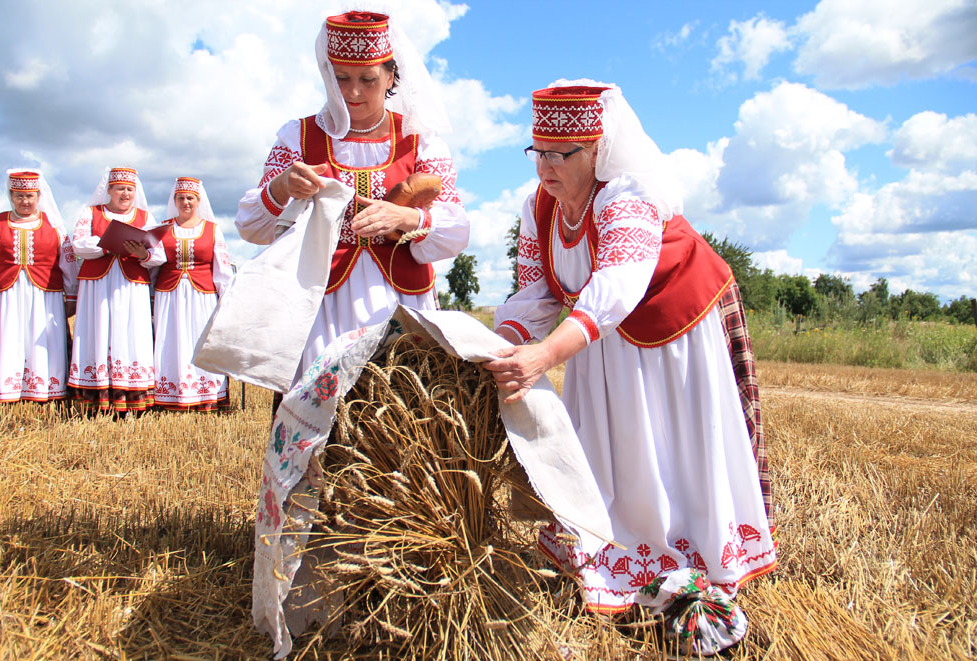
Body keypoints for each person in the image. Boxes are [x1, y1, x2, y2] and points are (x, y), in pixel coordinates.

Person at [484, 83, 776, 656]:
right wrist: (501, 344)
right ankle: (622, 559)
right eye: (537, 151)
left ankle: (692, 560)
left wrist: (545, 354)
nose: (546, 165)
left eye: (561, 153)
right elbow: (538, 291)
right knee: (610, 449)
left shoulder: (628, 196)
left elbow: (617, 283)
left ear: (598, 149)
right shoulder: (537, 207)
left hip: (673, 331)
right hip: (600, 334)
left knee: (673, 446)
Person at [234, 10, 469, 387]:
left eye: (368, 79)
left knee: (401, 410)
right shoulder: (299, 137)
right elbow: (250, 227)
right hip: (322, 301)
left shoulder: (418, 138)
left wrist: (405, 218)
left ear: (392, 76)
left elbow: (456, 230)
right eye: (341, 78)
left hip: (401, 300)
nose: (353, 92)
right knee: (326, 415)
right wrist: (280, 188)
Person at [70, 166, 163, 414]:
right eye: (120, 188)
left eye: (130, 189)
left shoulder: (145, 216)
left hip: (131, 285)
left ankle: (131, 395)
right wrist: (107, 245)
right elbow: (78, 243)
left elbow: (159, 252)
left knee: (131, 331)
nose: (125, 194)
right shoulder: (92, 213)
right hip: (98, 284)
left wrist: (144, 253)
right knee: (97, 329)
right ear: (108, 190)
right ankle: (96, 394)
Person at [0, 170, 77, 403]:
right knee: (8, 338)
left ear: (38, 196)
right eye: (19, 196)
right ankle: (9, 390)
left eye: (29, 196)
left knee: (44, 341)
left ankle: (46, 389)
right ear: (11, 196)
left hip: (45, 294)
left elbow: (67, 262)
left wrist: (72, 295)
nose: (25, 201)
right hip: (6, 293)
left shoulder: (53, 225)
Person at [153, 177, 234, 411]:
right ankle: (172, 395)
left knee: (200, 340)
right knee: (171, 341)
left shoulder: (212, 230)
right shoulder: (163, 227)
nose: (185, 202)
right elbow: (154, 262)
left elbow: (222, 268)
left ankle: (205, 394)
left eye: (190, 198)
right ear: (174, 200)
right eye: (180, 198)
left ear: (198, 200)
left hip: (202, 295)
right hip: (169, 295)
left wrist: (226, 298)